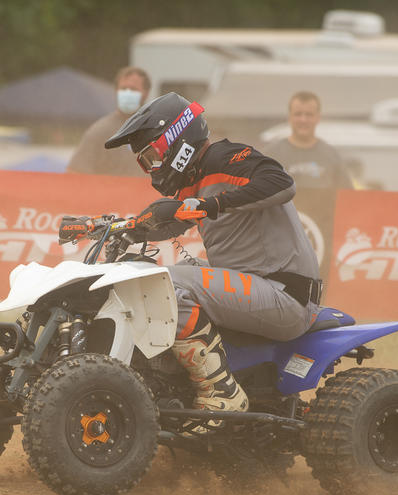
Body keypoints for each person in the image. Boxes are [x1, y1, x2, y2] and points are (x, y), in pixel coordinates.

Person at [104, 93, 321, 422]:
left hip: (285, 293)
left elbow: (282, 182)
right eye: (145, 163)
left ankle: (221, 392)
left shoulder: (224, 157)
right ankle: (167, 380)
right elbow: (168, 221)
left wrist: (211, 206)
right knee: (148, 272)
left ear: (176, 141)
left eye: (152, 157)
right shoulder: (193, 182)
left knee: (163, 282)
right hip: (256, 287)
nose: (152, 168)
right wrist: (120, 229)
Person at [66, 67, 151, 177]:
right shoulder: (100, 131)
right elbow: (74, 173)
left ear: (146, 93)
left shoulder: (156, 130)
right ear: (116, 91)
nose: (128, 93)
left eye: (133, 89)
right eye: (124, 89)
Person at [262, 91, 353, 192]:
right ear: (289, 117)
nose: (303, 120)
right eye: (298, 114)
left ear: (318, 118)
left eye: (309, 115)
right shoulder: (271, 156)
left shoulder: (332, 156)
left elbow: (347, 197)